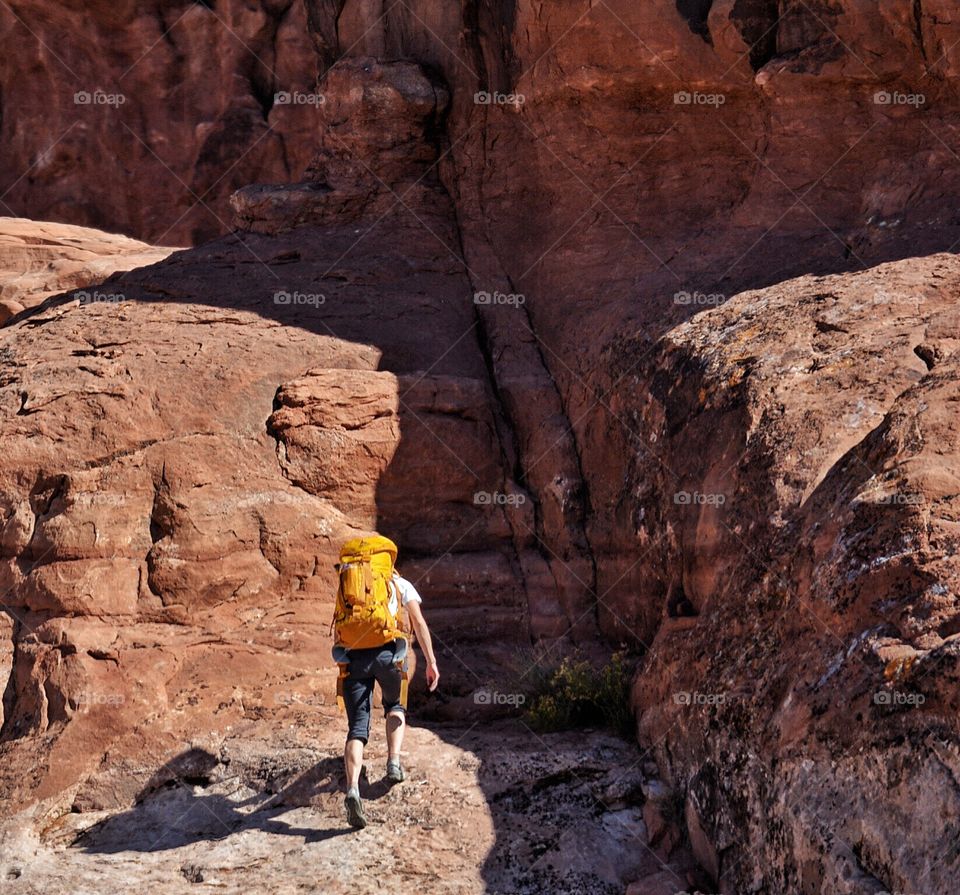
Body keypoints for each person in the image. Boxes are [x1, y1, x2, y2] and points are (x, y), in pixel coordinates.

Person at [337, 569, 439, 829]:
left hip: (354, 659)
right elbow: (418, 621)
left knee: (357, 727)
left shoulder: (351, 585)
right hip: (389, 656)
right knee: (395, 706)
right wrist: (431, 661)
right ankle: (393, 762)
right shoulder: (399, 583)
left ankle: (352, 790)